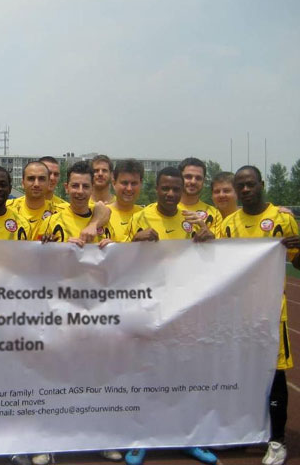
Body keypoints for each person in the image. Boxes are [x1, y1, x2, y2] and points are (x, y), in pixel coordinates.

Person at [126, 167, 216, 465]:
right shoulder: (141, 217)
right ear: (156, 188)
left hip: (183, 311)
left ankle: (187, 437)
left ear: (183, 191)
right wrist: (134, 241)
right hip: (149, 308)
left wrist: (209, 239)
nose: (170, 194)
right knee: (146, 374)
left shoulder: (192, 221)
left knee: (184, 375)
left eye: (176, 189)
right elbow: (116, 262)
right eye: (165, 188)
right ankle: (141, 439)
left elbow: (209, 262)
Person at [222, 166, 300, 465]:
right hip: (239, 315)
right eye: (240, 185)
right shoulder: (229, 223)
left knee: (275, 375)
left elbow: (298, 264)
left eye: (250, 184)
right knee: (241, 373)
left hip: (272, 313)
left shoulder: (283, 219)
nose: (245, 190)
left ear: (261, 184)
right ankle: (243, 432)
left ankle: (277, 439)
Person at [38, 161, 112, 246]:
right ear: (66, 188)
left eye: (85, 186)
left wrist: (111, 248)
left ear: (92, 188)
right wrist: (65, 249)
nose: (80, 191)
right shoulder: (50, 223)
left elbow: (116, 256)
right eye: (75, 186)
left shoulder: (104, 222)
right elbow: (39, 256)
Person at [5, 161, 60, 240]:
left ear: (48, 183)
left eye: (41, 179)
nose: (36, 184)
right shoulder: (6, 208)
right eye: (31, 178)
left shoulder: (60, 211)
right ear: (23, 183)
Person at [177, 157, 222, 237]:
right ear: (178, 178)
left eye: (198, 178)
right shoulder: (163, 210)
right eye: (188, 177)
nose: (193, 182)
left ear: (203, 181)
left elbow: (217, 247)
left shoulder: (214, 214)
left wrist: (204, 227)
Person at [106, 159, 144, 243]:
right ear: (114, 183)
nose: (129, 189)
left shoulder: (146, 216)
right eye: (124, 183)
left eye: (134, 183)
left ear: (141, 184)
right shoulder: (102, 215)